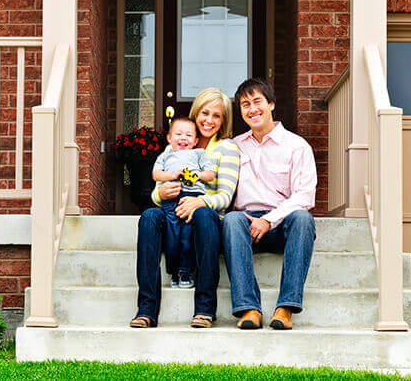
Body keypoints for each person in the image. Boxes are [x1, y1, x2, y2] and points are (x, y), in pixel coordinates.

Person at [129, 88, 239, 329]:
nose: (209, 120)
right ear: (196, 113)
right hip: (172, 211)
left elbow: (226, 197)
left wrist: (200, 202)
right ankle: (146, 309)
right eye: (205, 113)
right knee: (148, 216)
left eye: (217, 116)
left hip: (204, 218)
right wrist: (159, 194)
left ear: (223, 121)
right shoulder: (177, 146)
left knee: (202, 214)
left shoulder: (227, 148)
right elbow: (158, 187)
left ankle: (204, 309)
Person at [221, 78, 317, 330]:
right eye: (245, 105)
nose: (252, 109)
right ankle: (249, 309)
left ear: (271, 104)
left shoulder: (297, 146)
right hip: (245, 224)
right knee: (231, 220)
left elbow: (305, 196)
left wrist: (269, 219)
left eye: (257, 102)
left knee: (303, 218)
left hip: (282, 222)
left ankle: (285, 308)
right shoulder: (233, 147)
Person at [152, 117, 216, 288]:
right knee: (172, 237)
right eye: (178, 134)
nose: (183, 138)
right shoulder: (165, 155)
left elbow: (210, 174)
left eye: (188, 135)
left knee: (187, 237)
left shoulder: (199, 153)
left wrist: (197, 176)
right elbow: (156, 175)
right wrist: (173, 176)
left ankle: (186, 271)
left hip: (192, 198)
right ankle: (174, 271)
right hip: (171, 200)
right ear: (169, 138)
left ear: (195, 141)